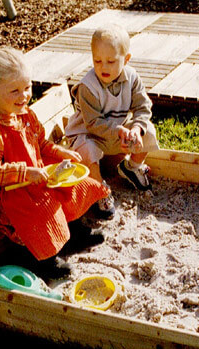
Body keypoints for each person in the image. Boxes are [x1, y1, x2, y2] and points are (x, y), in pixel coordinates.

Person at [0, 47, 110, 278]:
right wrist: (26, 172)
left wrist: (60, 152)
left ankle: (74, 235)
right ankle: (43, 260)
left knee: (72, 187)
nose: (24, 96)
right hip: (6, 192)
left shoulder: (24, 114)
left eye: (27, 87)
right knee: (40, 210)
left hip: (34, 176)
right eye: (15, 91)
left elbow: (40, 144)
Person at [65, 23, 160, 219]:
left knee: (148, 131)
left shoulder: (132, 78)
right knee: (87, 150)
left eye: (111, 61)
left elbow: (143, 107)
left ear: (126, 59)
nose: (103, 67)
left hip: (118, 134)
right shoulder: (88, 87)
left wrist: (136, 129)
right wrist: (119, 131)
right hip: (89, 135)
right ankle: (100, 189)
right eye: (97, 60)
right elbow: (93, 123)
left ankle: (131, 168)